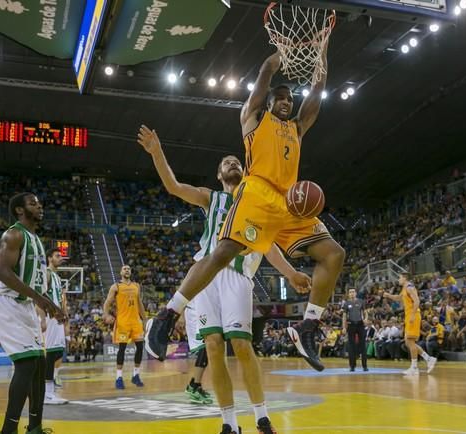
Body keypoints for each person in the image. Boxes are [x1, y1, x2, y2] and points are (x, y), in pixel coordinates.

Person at [145, 40, 345, 373]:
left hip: (289, 203)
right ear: (267, 102)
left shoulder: (297, 128)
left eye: (289, 99)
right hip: (257, 194)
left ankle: (307, 326)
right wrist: (281, 53)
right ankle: (167, 316)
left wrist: (321, 57)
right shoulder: (253, 119)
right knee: (222, 252)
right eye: (279, 98)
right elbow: (266, 73)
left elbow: (317, 93)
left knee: (333, 254)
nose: (285, 102)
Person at [138, 128, 312, 434]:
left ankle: (262, 417)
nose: (232, 164)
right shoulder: (211, 197)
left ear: (244, 171)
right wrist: (157, 153)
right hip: (205, 276)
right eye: (226, 163)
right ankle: (229, 423)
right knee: (214, 347)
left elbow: (269, 246)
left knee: (242, 346)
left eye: (236, 162)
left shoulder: (255, 201)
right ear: (220, 174)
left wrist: (290, 273)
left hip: (237, 275)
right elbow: (175, 187)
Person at [0, 192, 64, 434]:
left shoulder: (37, 240)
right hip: (3, 302)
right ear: (20, 210)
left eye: (40, 203)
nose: (39, 206)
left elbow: (35, 284)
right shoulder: (14, 234)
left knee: (39, 363)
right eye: (33, 203)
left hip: (25, 305)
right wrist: (39, 298)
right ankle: (8, 430)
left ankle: (35, 427)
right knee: (27, 363)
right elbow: (3, 273)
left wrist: (51, 303)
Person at [382, 273, 436, 376]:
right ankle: (429, 359)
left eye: (400, 278)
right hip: (409, 316)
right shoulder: (405, 288)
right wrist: (388, 295)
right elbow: (398, 298)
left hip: (413, 315)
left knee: (410, 342)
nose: (398, 279)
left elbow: (417, 301)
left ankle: (414, 368)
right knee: (408, 342)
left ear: (405, 278)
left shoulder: (410, 287)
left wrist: (412, 315)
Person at [102, 265, 146, 389]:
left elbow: (140, 303)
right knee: (122, 349)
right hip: (123, 322)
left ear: (130, 272)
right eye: (124, 269)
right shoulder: (116, 286)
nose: (127, 270)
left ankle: (136, 375)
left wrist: (145, 319)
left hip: (136, 322)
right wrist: (106, 314)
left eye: (129, 269)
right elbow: (107, 302)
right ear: (121, 272)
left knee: (140, 347)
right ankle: (119, 377)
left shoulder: (136, 286)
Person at [38, 248, 69, 405]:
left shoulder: (57, 276)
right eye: (57, 256)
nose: (60, 258)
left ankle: (49, 392)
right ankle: (47, 394)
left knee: (57, 353)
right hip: (49, 318)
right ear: (49, 258)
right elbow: (39, 297)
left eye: (61, 256)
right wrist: (42, 319)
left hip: (57, 318)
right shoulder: (47, 273)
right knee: (50, 355)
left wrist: (63, 313)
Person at [182, 302, 213, 405]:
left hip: (203, 310)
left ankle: (193, 385)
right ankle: (195, 387)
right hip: (195, 312)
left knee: (208, 348)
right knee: (205, 347)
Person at [342, 288, 367, 371]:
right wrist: (344, 327)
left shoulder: (361, 301)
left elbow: (365, 312)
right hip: (351, 325)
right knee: (351, 345)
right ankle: (352, 366)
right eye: (350, 292)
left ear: (356, 293)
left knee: (363, 344)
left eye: (353, 292)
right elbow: (344, 316)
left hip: (360, 324)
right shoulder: (346, 303)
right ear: (348, 294)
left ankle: (365, 366)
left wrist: (366, 318)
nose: (352, 293)